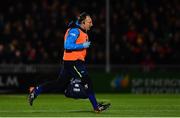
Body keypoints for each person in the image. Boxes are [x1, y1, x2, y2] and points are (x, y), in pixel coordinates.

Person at [28, 12, 110, 113]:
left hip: (70, 62)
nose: (91, 24)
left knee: (58, 84)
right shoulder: (75, 30)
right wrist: (82, 45)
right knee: (87, 80)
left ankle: (36, 91)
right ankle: (96, 107)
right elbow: (67, 45)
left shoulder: (79, 29)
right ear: (83, 22)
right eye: (89, 22)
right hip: (73, 62)